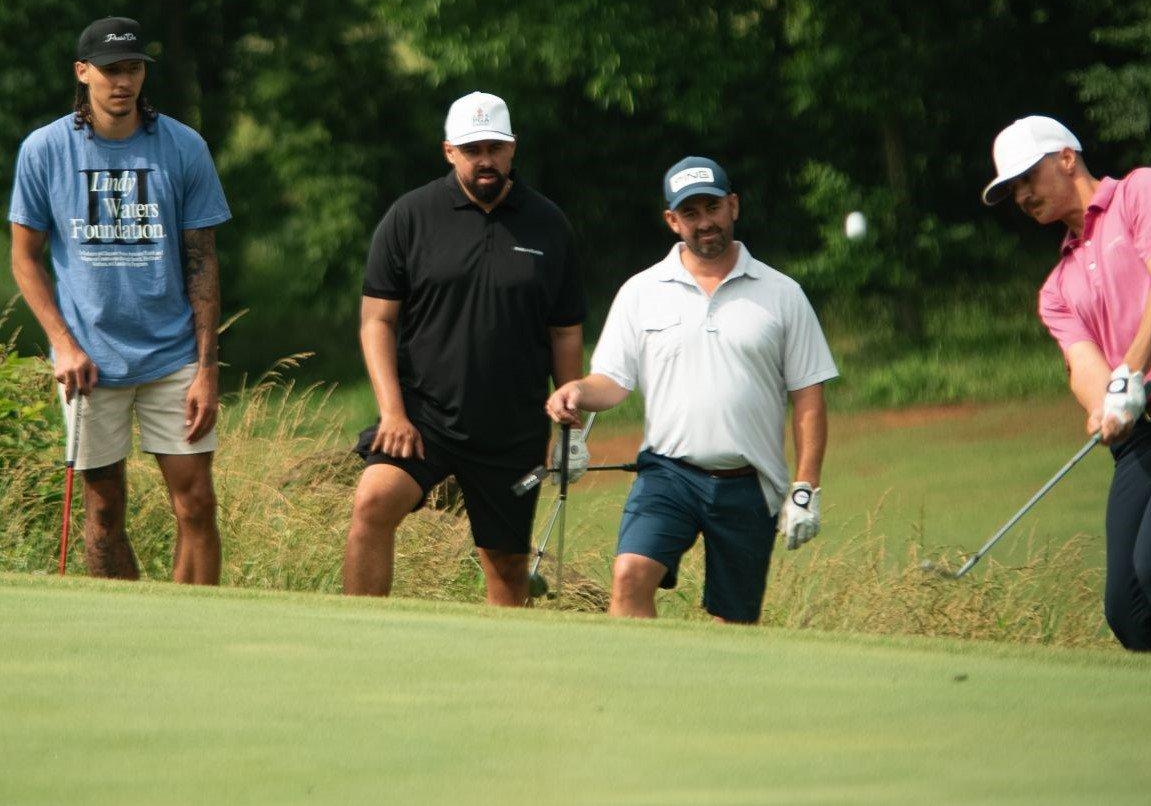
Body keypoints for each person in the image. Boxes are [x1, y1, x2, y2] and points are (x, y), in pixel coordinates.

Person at [546, 156, 838, 623]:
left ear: (733, 206)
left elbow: (808, 397)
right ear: (672, 221)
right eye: (691, 213)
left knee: (734, 624)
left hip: (750, 482)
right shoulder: (642, 292)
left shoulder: (782, 294)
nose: (705, 223)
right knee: (629, 578)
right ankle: (643, 690)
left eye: (713, 207)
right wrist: (575, 391)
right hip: (668, 475)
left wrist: (806, 486)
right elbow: (613, 383)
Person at [8, 16, 231, 583]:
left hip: (172, 356)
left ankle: (194, 637)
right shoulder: (44, 149)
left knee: (196, 503)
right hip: (90, 362)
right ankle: (125, 638)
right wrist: (62, 345)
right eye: (109, 70)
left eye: (132, 68)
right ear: (83, 73)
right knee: (104, 511)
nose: (122, 81)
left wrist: (207, 368)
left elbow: (202, 261)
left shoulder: (183, 146)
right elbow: (24, 258)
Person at [343, 91, 586, 606]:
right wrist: (392, 412)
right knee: (373, 502)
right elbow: (376, 322)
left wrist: (571, 425)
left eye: (495, 147)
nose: (485, 160)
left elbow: (564, 331)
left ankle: (501, 679)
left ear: (512, 149)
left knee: (507, 567)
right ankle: (356, 638)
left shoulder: (548, 224)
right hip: (422, 418)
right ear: (449, 150)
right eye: (472, 149)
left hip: (512, 427)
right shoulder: (409, 217)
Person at [983, 115, 1151, 650]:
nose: (1022, 195)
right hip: (1140, 438)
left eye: (1027, 178)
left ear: (1065, 157)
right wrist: (1106, 404)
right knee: (1128, 609)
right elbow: (1083, 365)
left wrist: (1130, 368)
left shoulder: (1138, 194)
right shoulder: (1056, 289)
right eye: (1013, 190)